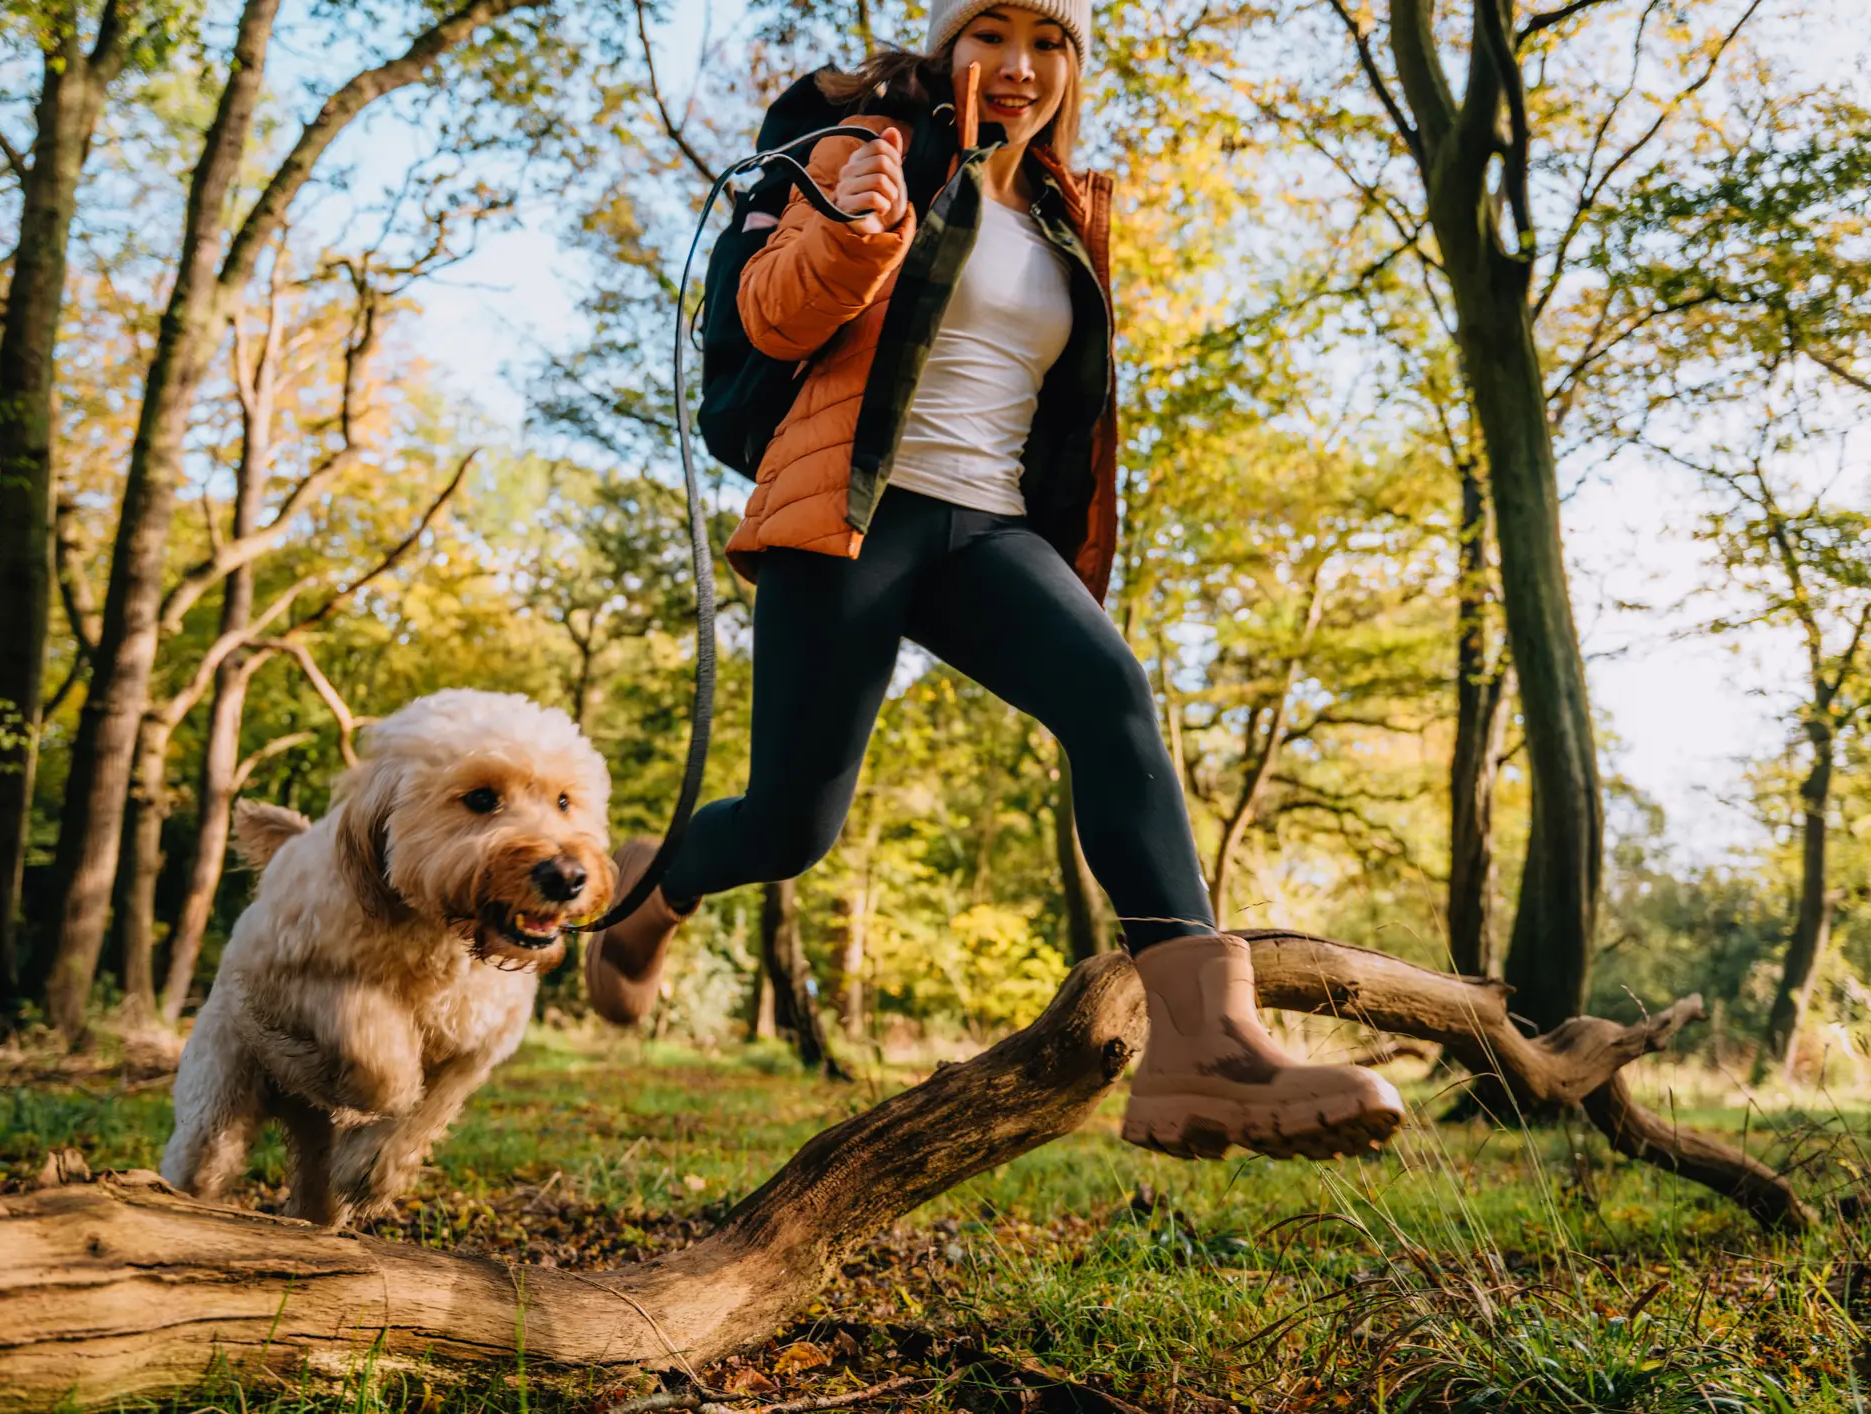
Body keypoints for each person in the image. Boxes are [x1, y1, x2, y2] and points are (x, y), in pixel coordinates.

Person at [586, 1, 1404, 1160]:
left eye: (1050, 42)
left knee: (1112, 695)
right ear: (947, 45)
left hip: (991, 529)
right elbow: (767, 319)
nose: (1020, 67)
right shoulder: (864, 147)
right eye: (992, 33)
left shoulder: (1067, 213)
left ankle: (1204, 1050)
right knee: (791, 823)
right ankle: (655, 889)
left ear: (1073, 65)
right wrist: (858, 236)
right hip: (856, 511)